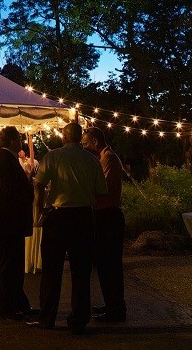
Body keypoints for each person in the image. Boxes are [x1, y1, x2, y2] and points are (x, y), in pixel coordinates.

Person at [30, 121, 107, 333]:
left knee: (51, 271)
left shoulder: (53, 156)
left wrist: (39, 208)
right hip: (83, 217)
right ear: (80, 138)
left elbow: (38, 183)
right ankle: (79, 319)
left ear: (63, 137)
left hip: (58, 216)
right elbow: (102, 190)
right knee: (81, 271)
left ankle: (47, 318)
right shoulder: (92, 160)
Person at [0, 127, 36, 321]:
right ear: (10, 141)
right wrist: (29, 187)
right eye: (18, 138)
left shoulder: (3, 158)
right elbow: (12, 191)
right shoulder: (6, 160)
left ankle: (18, 303)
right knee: (10, 265)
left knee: (12, 264)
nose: (21, 141)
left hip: (7, 220)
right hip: (9, 221)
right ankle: (7, 307)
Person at [82, 127, 126, 323]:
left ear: (95, 141)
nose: (83, 147)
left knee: (110, 264)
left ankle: (115, 308)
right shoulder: (104, 157)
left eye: (85, 143)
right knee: (105, 264)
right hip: (105, 215)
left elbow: (104, 188)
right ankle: (111, 304)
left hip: (108, 216)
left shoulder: (108, 158)